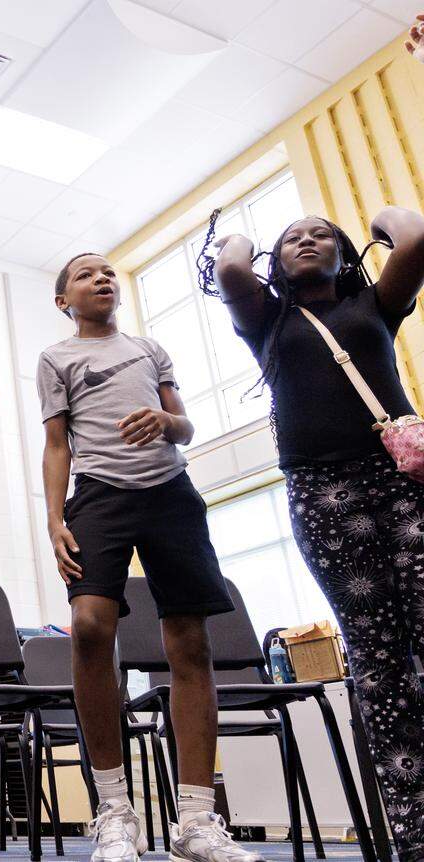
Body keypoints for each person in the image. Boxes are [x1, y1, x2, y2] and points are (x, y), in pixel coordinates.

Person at [210, 204, 424, 862]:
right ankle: (415, 832)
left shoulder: (377, 305)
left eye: (322, 235)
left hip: (401, 484)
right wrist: (249, 244)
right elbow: (229, 265)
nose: (307, 240)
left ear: (344, 256)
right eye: (293, 238)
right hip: (321, 495)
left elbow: (413, 236)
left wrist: (380, 220)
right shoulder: (267, 321)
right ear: (276, 263)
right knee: (377, 661)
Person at [38, 252, 260, 862]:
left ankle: (196, 820)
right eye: (83, 274)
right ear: (64, 301)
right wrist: (55, 518)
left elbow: (186, 427)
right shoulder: (57, 358)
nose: (100, 279)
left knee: (188, 641)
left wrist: (166, 421)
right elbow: (57, 445)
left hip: (170, 495)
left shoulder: (149, 349)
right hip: (100, 497)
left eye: (106, 271)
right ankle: (113, 810)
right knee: (88, 627)